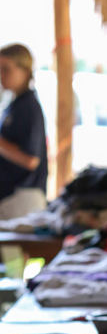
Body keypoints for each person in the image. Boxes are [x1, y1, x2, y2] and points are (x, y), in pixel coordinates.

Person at [0, 43, 48, 218]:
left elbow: (31, 160)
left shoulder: (29, 107)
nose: (2, 76)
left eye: (6, 70)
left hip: (23, 197)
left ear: (25, 71)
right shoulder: (14, 105)